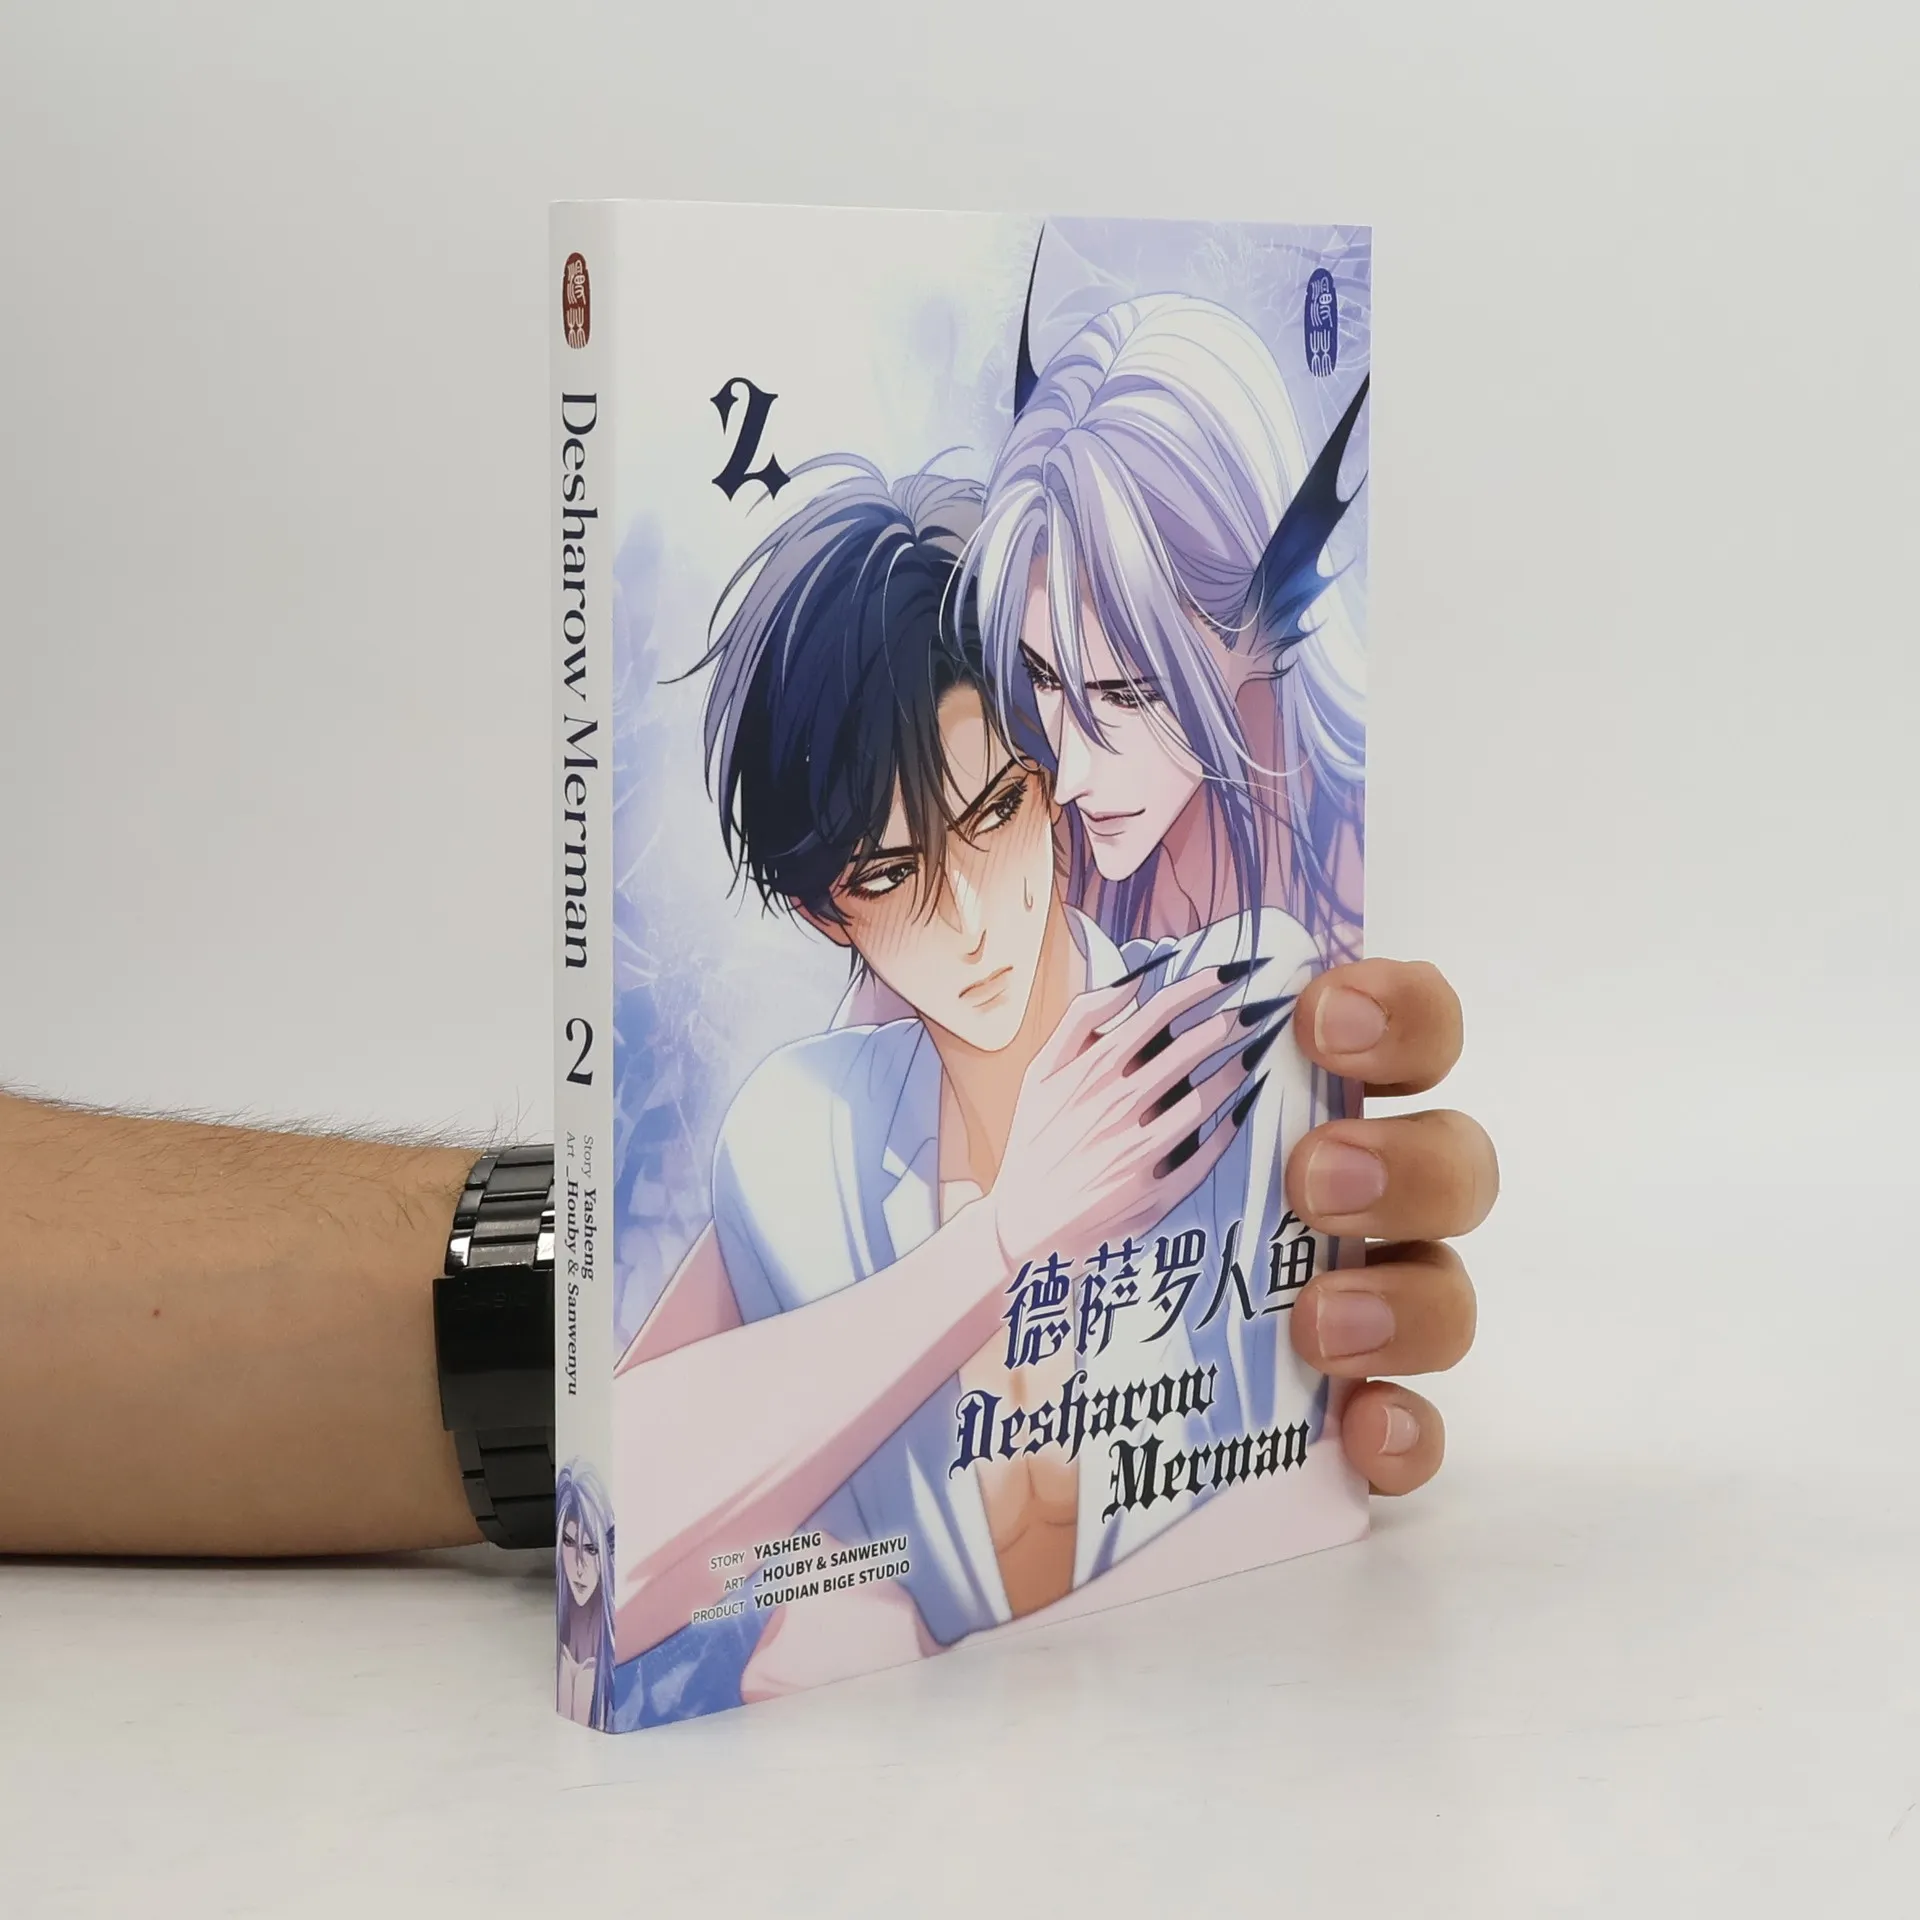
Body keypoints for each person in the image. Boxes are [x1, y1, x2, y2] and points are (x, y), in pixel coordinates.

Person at [602, 464, 1493, 1709]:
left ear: (1053, 781)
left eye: (993, 814)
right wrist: (1005, 1237)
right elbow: (611, 1543)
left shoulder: (1229, 1021)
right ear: (824, 913)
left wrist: (927, 1651)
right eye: (890, 875)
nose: (970, 918)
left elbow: (1307, 1481)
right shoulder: (798, 1141)